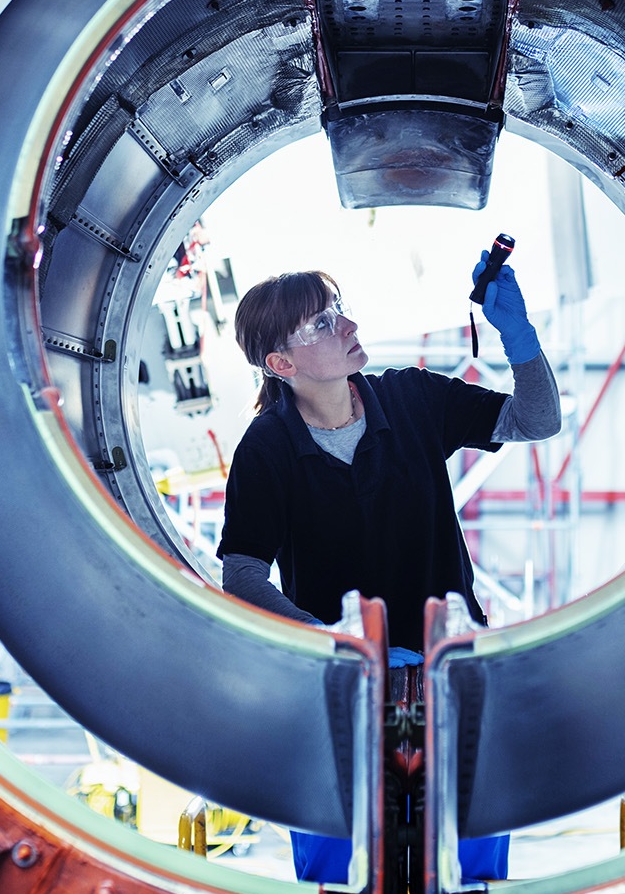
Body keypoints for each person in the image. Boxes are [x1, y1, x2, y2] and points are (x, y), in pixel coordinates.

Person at [216, 254, 561, 652]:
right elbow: (243, 574)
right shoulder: (267, 448)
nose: (349, 326)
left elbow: (537, 421)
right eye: (322, 324)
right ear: (282, 363)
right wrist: (326, 639)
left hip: (456, 653)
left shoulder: (412, 397)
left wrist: (520, 337)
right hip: (344, 671)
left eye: (339, 309)